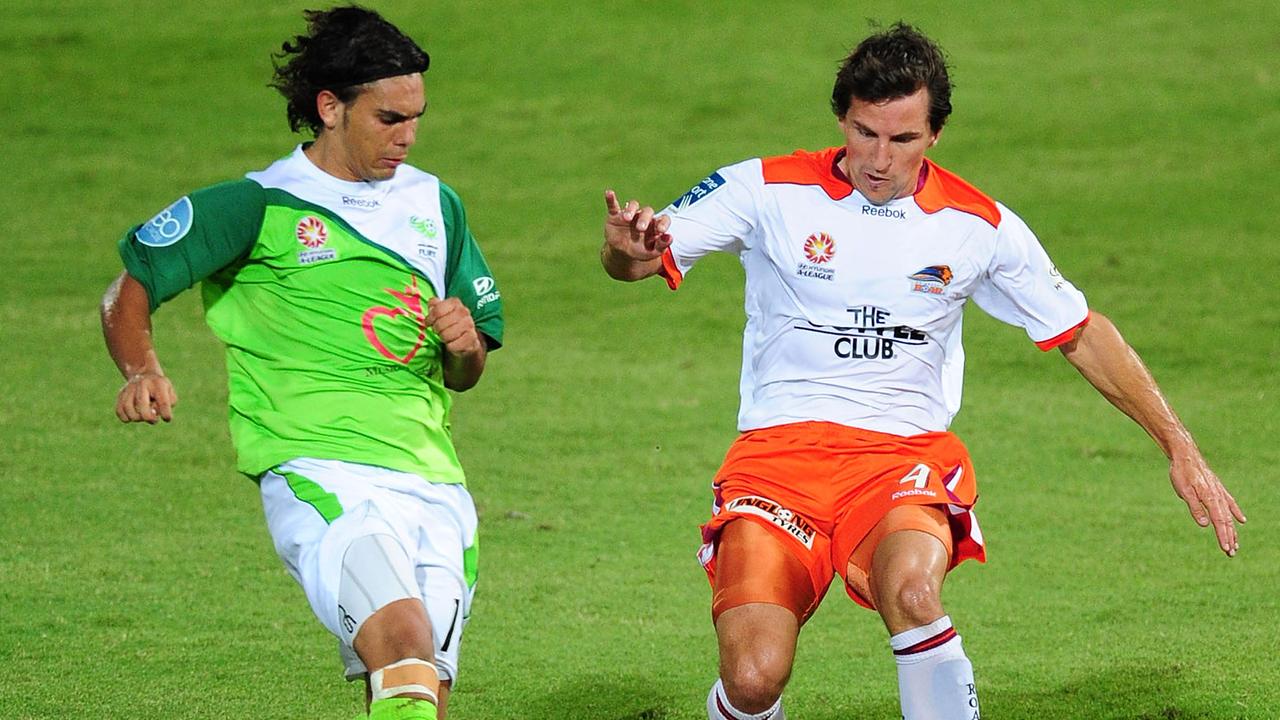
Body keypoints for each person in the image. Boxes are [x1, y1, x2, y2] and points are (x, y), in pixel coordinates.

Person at [600, 22, 1244, 720]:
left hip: (899, 461)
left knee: (913, 593)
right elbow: (639, 259)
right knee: (754, 677)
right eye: (864, 132)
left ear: (934, 134)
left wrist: (1180, 445)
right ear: (842, 118)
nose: (879, 158)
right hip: (776, 461)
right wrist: (626, 250)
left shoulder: (977, 225)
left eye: (902, 139)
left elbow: (1080, 332)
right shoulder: (764, 189)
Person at [100, 7, 502, 719]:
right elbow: (131, 286)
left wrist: (464, 346)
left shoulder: (436, 204)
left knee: (419, 689)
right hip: (321, 472)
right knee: (403, 641)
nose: (407, 136)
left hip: (434, 481)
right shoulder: (259, 205)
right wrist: (142, 370)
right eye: (387, 118)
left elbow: (465, 371)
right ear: (330, 107)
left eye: (417, 118)